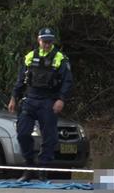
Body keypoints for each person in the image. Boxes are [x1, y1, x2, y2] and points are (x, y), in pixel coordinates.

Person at [7, 27, 73, 181]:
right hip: (30, 100)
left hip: (49, 101)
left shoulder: (60, 58)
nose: (47, 44)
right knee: (22, 133)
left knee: (50, 137)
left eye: (50, 41)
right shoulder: (30, 57)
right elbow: (20, 80)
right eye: (45, 41)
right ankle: (29, 167)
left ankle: (42, 169)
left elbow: (67, 82)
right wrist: (13, 97)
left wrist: (61, 99)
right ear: (39, 40)